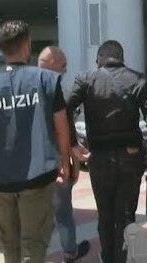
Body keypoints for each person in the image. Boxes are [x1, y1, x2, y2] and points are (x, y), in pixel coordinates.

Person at [0, 21, 71, 263]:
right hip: (38, 177)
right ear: (27, 46)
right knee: (34, 245)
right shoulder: (47, 81)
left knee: (9, 246)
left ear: (1, 49)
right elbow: (61, 125)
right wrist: (65, 162)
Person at [66, 40, 147, 263]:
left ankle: (108, 257)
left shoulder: (85, 79)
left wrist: (72, 144)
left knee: (105, 215)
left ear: (100, 58)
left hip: (99, 158)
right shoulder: (138, 79)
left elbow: (65, 109)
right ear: (122, 58)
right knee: (126, 216)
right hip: (130, 157)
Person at [38, 46, 91, 263]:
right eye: (63, 66)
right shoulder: (55, 88)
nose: (65, 70)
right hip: (55, 165)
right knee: (63, 212)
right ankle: (69, 253)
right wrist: (71, 164)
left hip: (30, 166)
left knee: (35, 216)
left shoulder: (22, 87)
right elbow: (64, 128)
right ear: (51, 63)